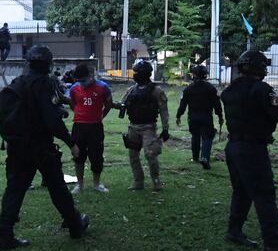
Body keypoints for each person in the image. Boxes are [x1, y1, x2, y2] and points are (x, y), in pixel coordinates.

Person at [0, 45, 89, 250]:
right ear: (48, 64)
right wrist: (71, 143)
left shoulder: (17, 83)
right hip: (40, 147)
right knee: (57, 186)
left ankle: (4, 233)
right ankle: (74, 225)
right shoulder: (45, 84)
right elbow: (51, 120)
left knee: (15, 189)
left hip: (17, 147)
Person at [220, 50, 278, 251]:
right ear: (260, 68)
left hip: (233, 147)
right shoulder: (262, 89)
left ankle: (234, 230)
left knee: (241, 191)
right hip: (252, 149)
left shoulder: (230, 90)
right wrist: (276, 101)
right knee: (264, 195)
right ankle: (273, 244)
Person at [117, 59, 170, 191]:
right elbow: (122, 104)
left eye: (138, 72)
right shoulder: (131, 90)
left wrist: (165, 129)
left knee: (151, 154)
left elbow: (164, 110)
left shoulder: (156, 91)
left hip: (148, 128)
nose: (135, 75)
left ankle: (156, 180)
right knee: (133, 156)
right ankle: (138, 181)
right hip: (133, 127)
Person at [68, 63, 114, 193]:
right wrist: (80, 114)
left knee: (96, 156)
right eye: (79, 81)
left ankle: (96, 184)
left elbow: (108, 103)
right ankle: (80, 184)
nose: (81, 83)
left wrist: (101, 116)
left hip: (95, 126)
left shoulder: (103, 87)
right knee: (78, 155)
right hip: (79, 126)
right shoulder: (74, 88)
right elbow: (72, 103)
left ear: (90, 76)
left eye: (83, 80)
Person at [177, 64, 224, 170]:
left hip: (193, 117)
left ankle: (195, 158)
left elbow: (183, 104)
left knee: (195, 135)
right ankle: (205, 157)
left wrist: (178, 115)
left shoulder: (188, 89)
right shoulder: (211, 88)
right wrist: (220, 116)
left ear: (194, 75)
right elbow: (217, 104)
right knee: (207, 137)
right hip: (206, 117)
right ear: (205, 75)